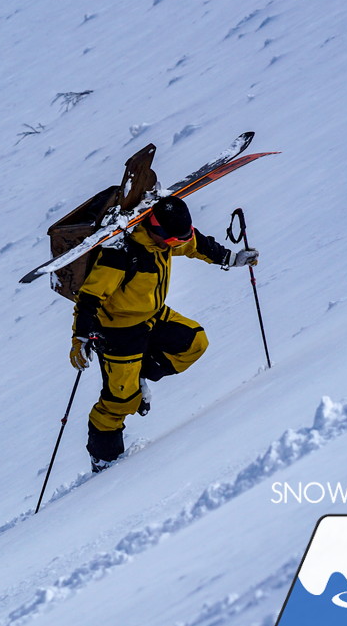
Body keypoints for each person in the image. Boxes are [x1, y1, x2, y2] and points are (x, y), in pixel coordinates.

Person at [69, 195, 258, 471]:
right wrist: (81, 337)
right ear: (156, 231)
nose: (178, 245)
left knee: (194, 341)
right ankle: (104, 461)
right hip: (119, 331)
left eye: (180, 239)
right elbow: (89, 297)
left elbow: (195, 244)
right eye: (173, 241)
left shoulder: (166, 240)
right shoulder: (121, 253)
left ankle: (140, 374)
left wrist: (231, 258)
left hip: (153, 316)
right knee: (120, 401)